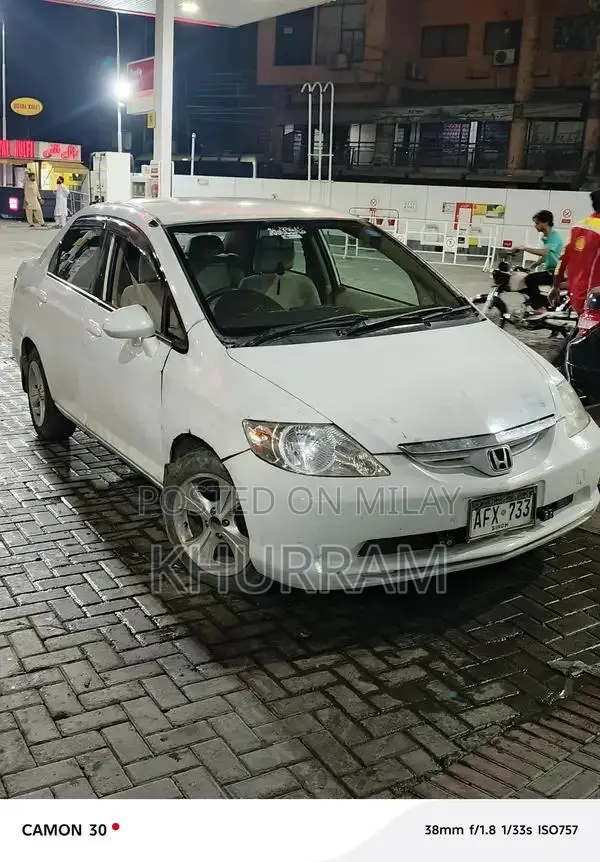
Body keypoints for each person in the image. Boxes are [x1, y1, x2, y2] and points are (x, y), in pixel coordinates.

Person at [549, 189, 600, 315]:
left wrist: (556, 285)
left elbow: (563, 258)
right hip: (596, 297)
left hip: (577, 295)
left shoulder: (577, 227)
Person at [513, 210, 563, 318]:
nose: (535, 226)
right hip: (550, 270)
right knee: (527, 279)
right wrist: (533, 266)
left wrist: (524, 248)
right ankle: (542, 304)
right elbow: (547, 256)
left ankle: (540, 308)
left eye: (537, 223)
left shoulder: (554, 236)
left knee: (530, 279)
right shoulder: (546, 237)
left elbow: (545, 252)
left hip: (556, 271)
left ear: (546, 222)